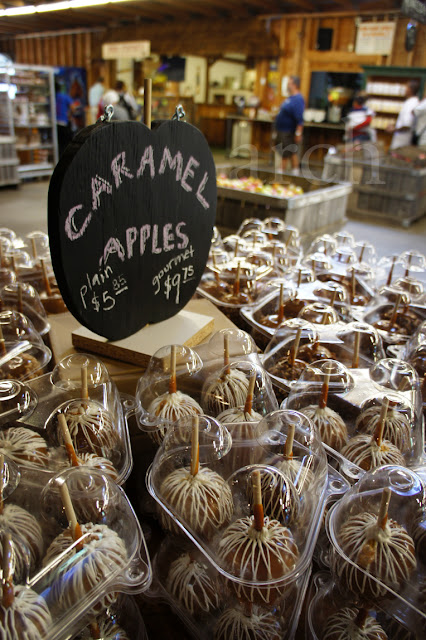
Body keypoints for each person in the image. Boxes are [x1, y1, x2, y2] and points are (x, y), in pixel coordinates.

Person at [274, 75, 305, 174]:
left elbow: (299, 118)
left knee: (286, 152)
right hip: (282, 130)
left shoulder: (298, 99)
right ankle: (294, 171)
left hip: (288, 131)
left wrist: (298, 133)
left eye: (289, 83)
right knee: (291, 151)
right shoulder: (290, 98)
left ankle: (281, 171)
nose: (287, 85)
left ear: (295, 85)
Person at [387, 80, 420, 150]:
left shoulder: (411, 104)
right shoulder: (411, 102)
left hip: (403, 139)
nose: (404, 90)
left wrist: (394, 129)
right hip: (401, 137)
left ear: (410, 89)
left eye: (406, 87)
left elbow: (407, 125)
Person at [55, 80, 74, 157]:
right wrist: (70, 115)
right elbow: (73, 107)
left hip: (54, 124)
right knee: (65, 144)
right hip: (63, 122)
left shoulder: (52, 97)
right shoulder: (64, 96)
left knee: (58, 144)